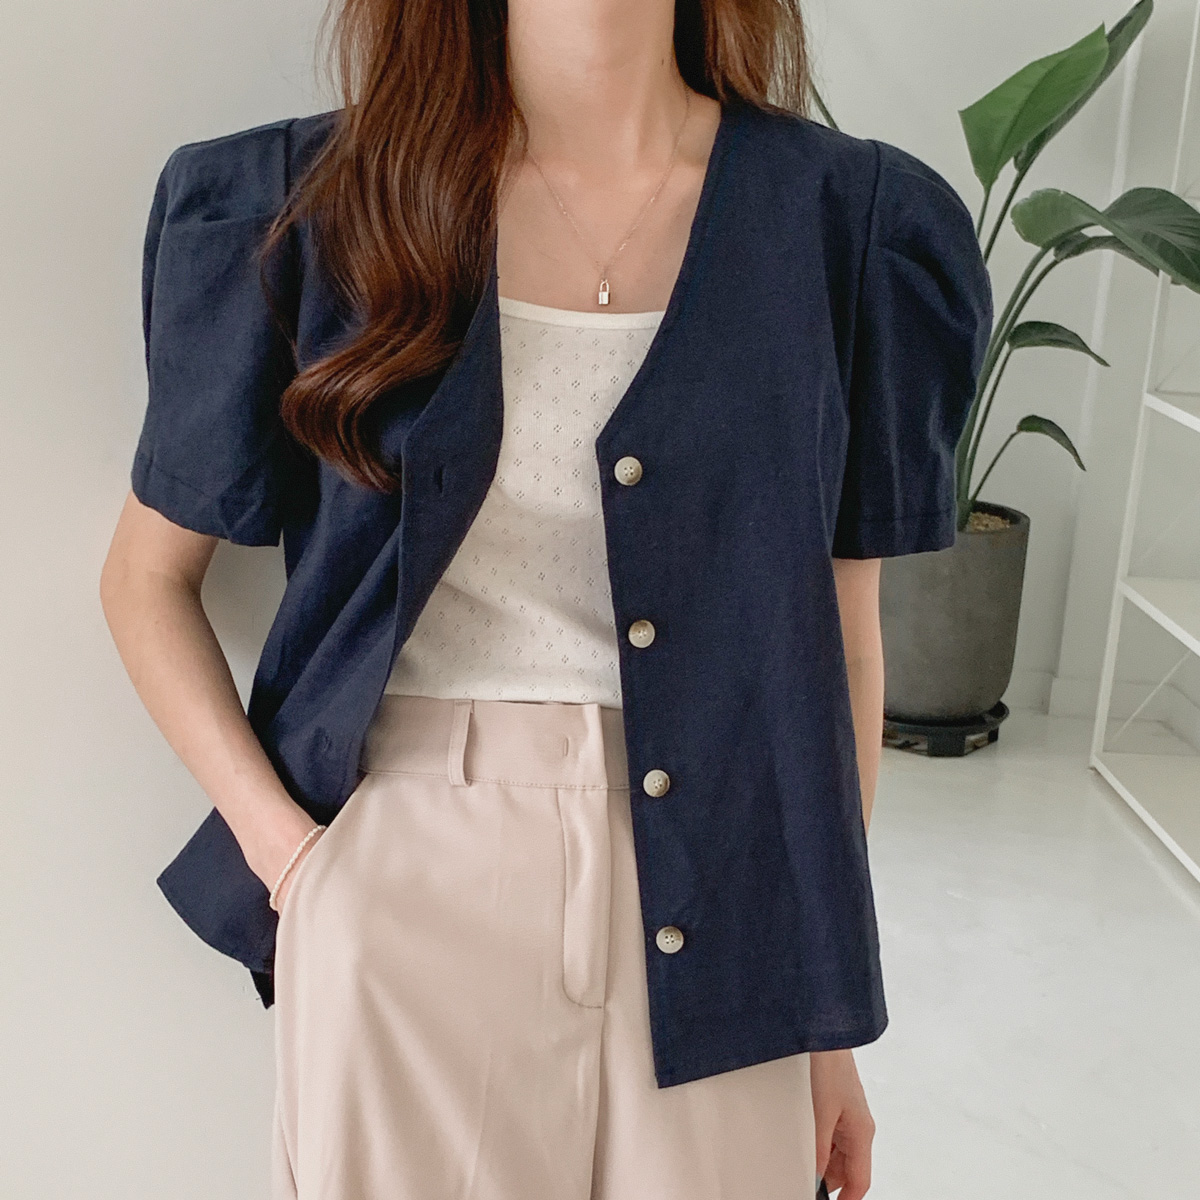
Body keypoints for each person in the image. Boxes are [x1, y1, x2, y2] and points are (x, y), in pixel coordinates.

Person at [99, 0, 993, 1197]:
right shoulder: (308, 205)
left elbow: (839, 646)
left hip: (732, 887)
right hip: (411, 875)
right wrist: (297, 868)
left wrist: (823, 1015)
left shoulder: (848, 222)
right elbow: (145, 581)